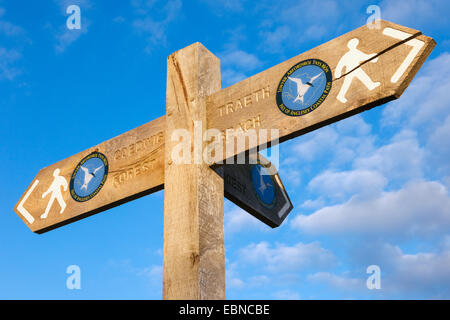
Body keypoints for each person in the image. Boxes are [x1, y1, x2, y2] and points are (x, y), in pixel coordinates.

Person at [335, 38, 380, 103]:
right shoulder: (348, 54)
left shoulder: (357, 51)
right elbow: (340, 64)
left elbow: (364, 57)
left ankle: (370, 85)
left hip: (356, 68)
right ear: (350, 45)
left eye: (355, 44)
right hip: (350, 70)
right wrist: (337, 72)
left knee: (363, 76)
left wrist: (371, 56)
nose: (354, 45)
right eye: (353, 44)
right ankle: (340, 95)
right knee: (347, 83)